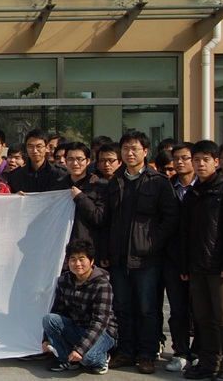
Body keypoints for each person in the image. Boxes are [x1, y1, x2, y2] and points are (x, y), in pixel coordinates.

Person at [91, 130, 178, 375]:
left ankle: (147, 354)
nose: (130, 153)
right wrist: (107, 250)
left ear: (145, 151)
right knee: (122, 306)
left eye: (135, 148)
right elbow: (108, 220)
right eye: (126, 148)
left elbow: (170, 217)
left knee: (147, 308)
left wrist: (152, 243)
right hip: (119, 257)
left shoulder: (158, 181)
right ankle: (126, 351)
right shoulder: (115, 181)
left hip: (146, 259)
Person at [179, 140, 223, 381]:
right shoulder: (193, 193)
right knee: (203, 317)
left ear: (216, 162)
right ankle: (209, 362)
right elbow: (185, 233)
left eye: (205, 160)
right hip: (197, 266)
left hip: (220, 267)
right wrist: (185, 264)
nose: (200, 164)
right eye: (196, 160)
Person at [42, 238, 116, 374]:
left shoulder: (102, 285)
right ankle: (66, 359)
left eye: (82, 259)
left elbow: (100, 322)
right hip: (77, 327)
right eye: (73, 259)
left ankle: (102, 358)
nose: (77, 264)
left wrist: (81, 350)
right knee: (49, 319)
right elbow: (58, 310)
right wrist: (46, 339)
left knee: (87, 358)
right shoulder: (65, 280)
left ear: (91, 261)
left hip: (102, 333)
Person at [163, 142, 198, 373]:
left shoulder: (205, 186)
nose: (179, 162)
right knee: (177, 310)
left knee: (200, 310)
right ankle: (181, 351)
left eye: (185, 157)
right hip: (172, 257)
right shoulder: (167, 187)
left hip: (199, 258)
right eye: (176, 158)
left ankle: (200, 352)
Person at [7, 128, 71, 193]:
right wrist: (15, 196)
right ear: (26, 148)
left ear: (46, 148)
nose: (35, 151)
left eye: (39, 146)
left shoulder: (60, 175)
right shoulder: (15, 177)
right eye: (30, 147)